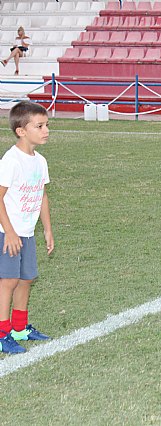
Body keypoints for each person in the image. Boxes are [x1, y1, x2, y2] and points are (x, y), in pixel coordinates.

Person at [0, 101, 54, 354]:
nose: (46, 130)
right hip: (7, 233)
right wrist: (9, 232)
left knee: (26, 279)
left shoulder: (40, 161)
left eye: (46, 125)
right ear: (21, 130)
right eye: (40, 126)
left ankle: (20, 328)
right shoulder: (11, 161)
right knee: (8, 281)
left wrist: (47, 229)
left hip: (28, 232)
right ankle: (2, 333)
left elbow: (42, 195)